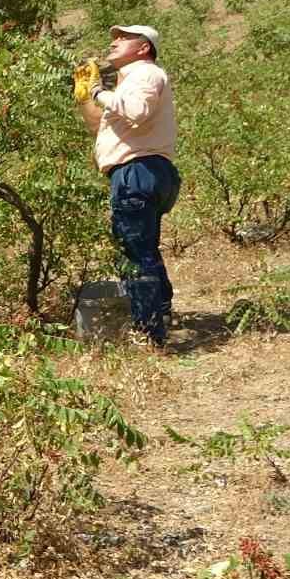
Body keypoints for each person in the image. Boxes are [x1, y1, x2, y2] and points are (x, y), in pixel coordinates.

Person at [75, 24, 182, 347]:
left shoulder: (145, 74)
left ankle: (148, 333)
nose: (115, 42)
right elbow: (101, 127)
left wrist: (99, 92)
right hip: (144, 170)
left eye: (124, 38)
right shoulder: (128, 82)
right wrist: (87, 98)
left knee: (135, 254)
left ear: (144, 47)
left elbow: (137, 111)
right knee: (143, 248)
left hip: (137, 170)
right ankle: (161, 314)